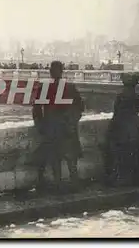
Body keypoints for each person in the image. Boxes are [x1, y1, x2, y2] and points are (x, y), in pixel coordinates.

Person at [32, 61, 84, 191]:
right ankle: (75, 184)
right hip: (67, 127)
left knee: (55, 159)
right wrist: (72, 121)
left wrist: (41, 125)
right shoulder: (70, 87)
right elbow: (80, 107)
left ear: (50, 72)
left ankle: (58, 185)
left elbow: (37, 110)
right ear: (62, 71)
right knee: (71, 159)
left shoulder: (44, 88)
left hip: (52, 127)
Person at [104, 73, 139, 187]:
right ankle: (136, 179)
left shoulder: (120, 96)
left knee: (120, 154)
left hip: (121, 127)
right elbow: (136, 111)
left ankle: (121, 180)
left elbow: (116, 112)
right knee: (135, 153)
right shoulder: (138, 97)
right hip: (133, 127)